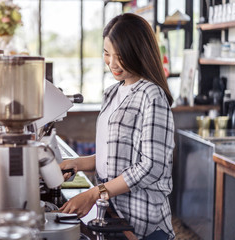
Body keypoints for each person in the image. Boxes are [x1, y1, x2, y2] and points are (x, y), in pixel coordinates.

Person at [59, 13, 175, 240]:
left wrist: (95, 193)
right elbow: (114, 155)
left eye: (119, 55)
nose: (112, 63)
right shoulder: (112, 93)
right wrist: (78, 163)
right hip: (112, 214)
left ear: (137, 52)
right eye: (106, 53)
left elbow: (151, 167)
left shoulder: (152, 95)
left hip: (143, 223)